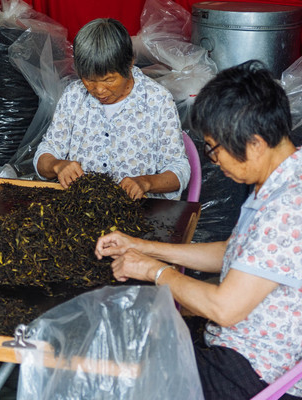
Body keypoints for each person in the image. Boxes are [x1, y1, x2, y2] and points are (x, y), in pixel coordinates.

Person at [95, 60, 302, 400]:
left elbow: (225, 308)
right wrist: (142, 246)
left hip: (252, 370)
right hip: (236, 348)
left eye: (214, 148)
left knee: (117, 370)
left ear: (255, 144)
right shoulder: (283, 179)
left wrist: (155, 271)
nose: (214, 159)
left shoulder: (287, 208)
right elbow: (231, 253)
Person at [33, 18, 190, 200]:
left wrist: (146, 182)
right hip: (81, 206)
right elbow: (45, 153)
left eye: (109, 80)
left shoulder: (157, 100)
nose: (99, 90)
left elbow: (179, 169)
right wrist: (57, 165)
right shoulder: (73, 96)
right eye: (90, 80)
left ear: (130, 63)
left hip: (138, 212)